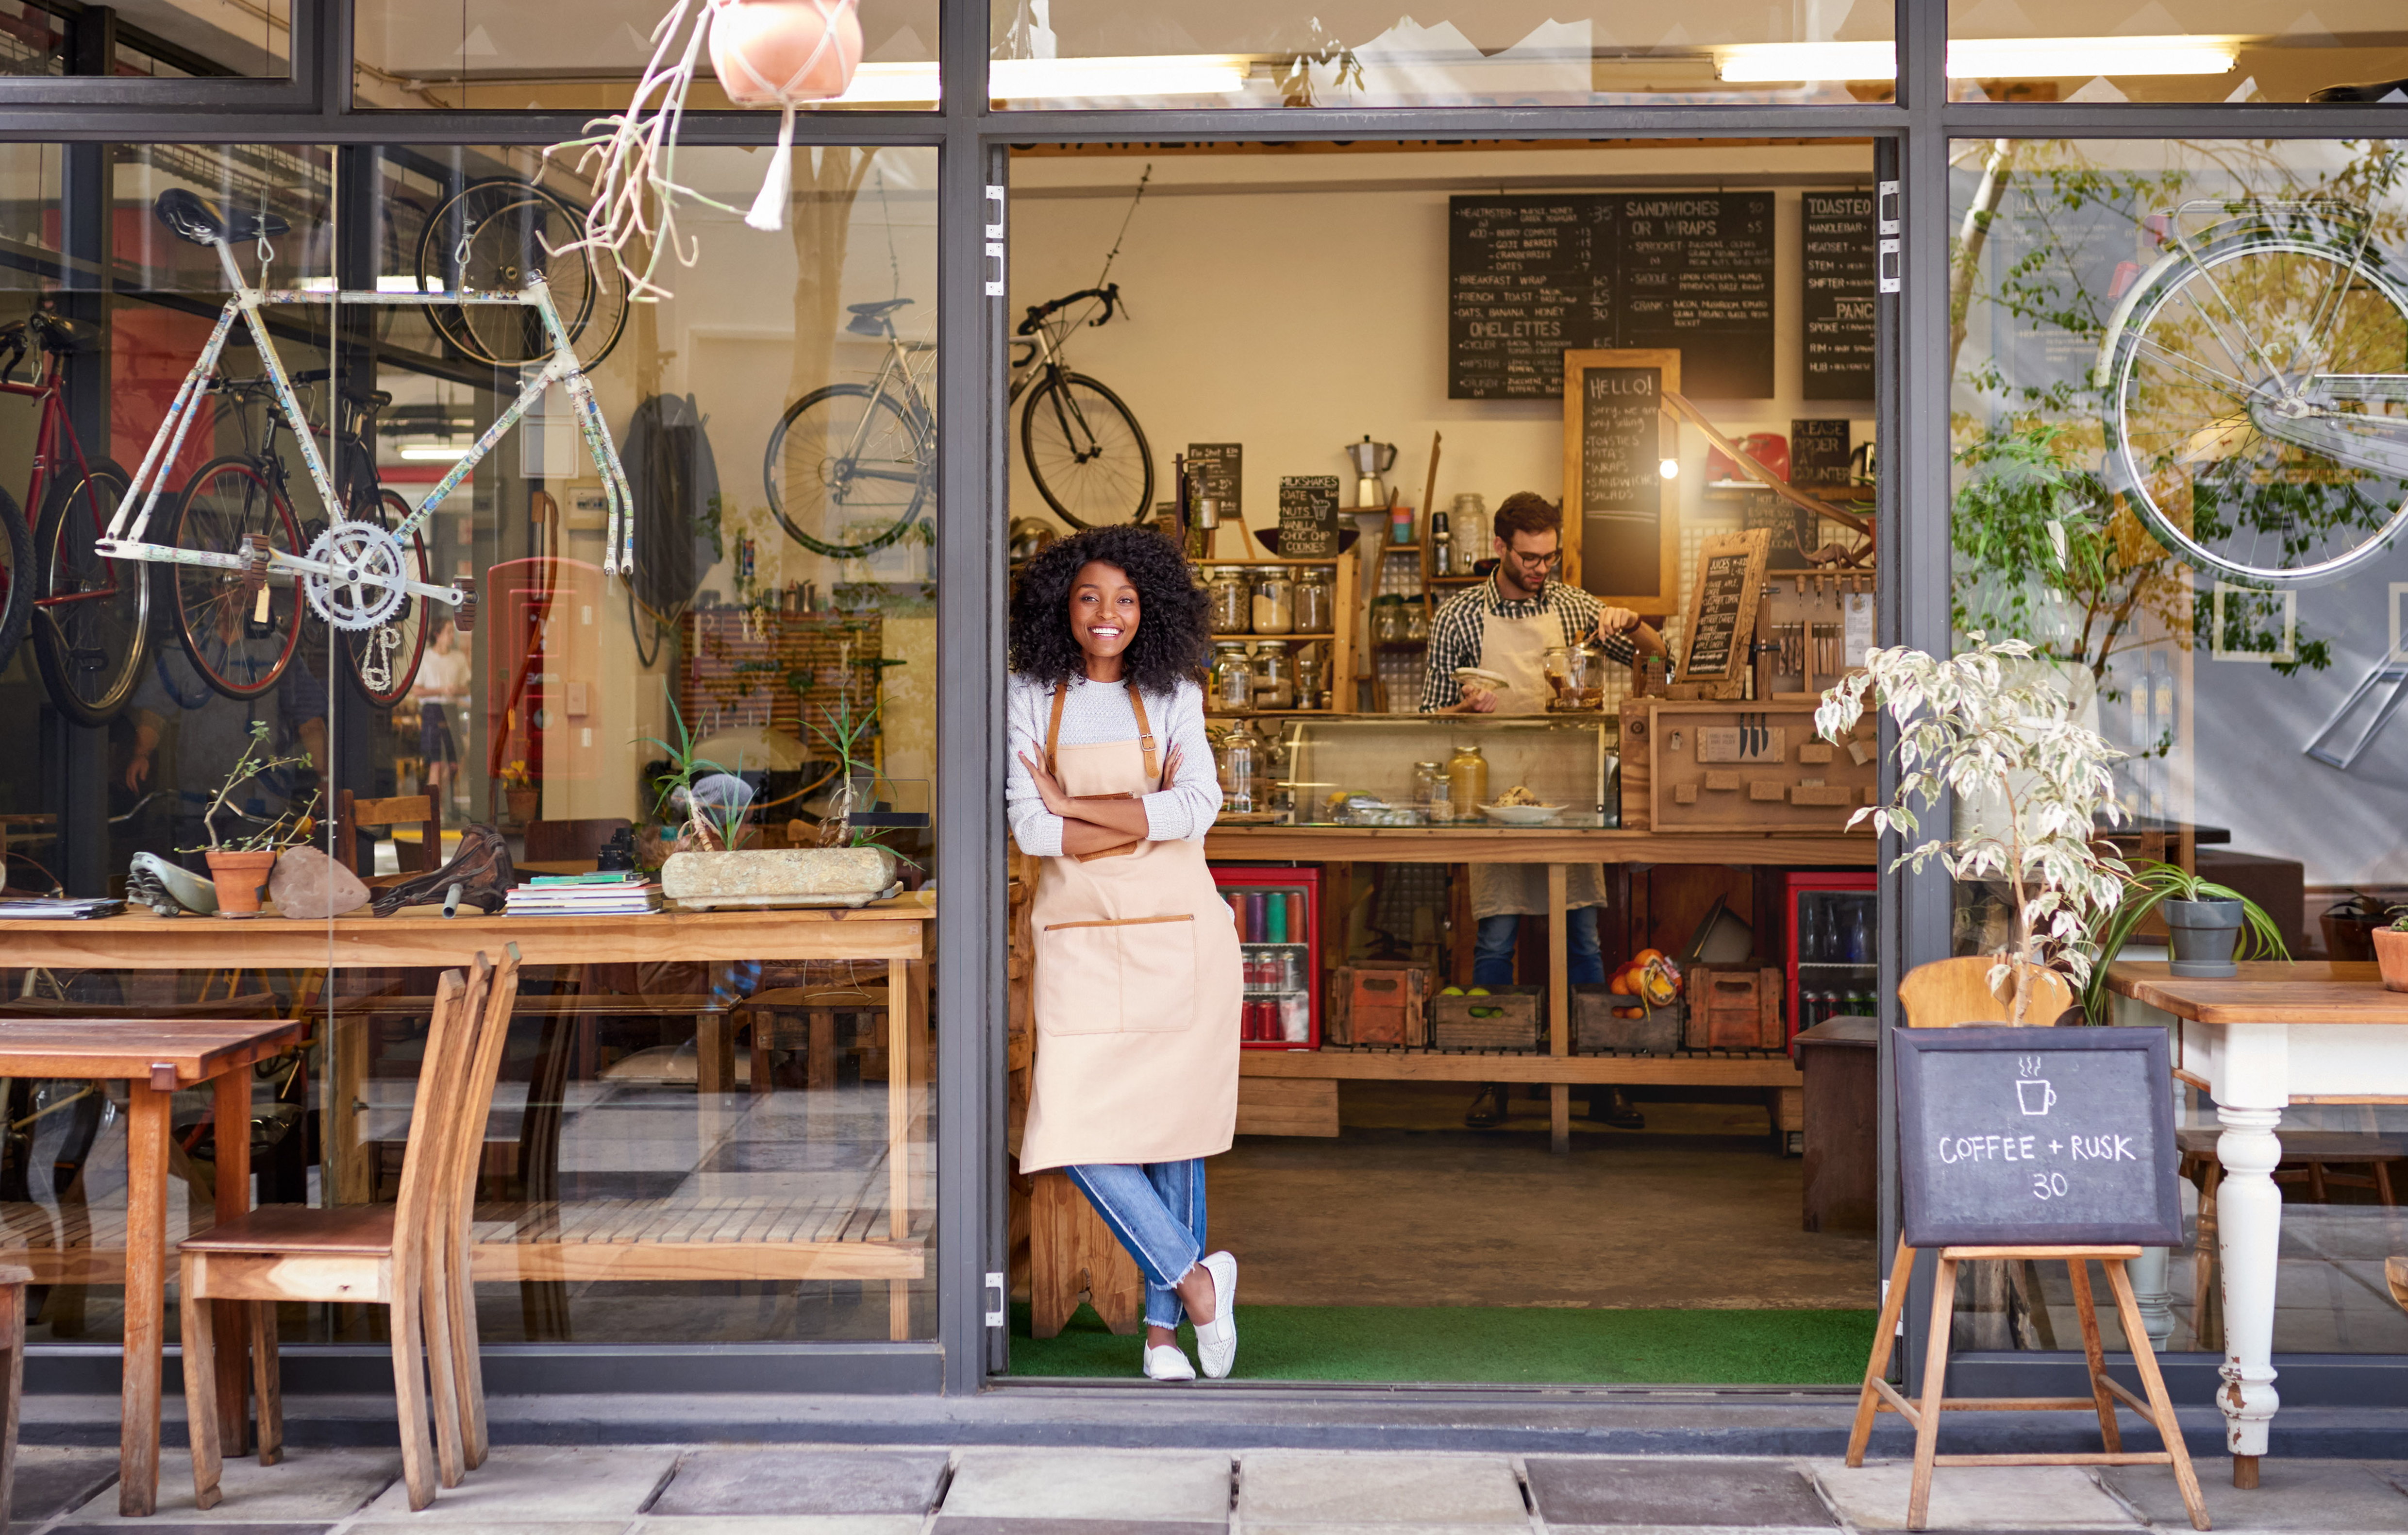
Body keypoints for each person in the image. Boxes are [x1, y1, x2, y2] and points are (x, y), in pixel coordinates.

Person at [1006, 524, 1243, 1383]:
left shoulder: (1175, 689)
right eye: (1090, 597)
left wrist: (1076, 801)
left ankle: (1161, 1337)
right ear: (1061, 606)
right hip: (1079, 944)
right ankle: (1197, 1281)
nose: (1108, 615)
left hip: (1177, 937)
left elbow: (1201, 809)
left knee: (1173, 1130)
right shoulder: (1028, 692)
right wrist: (1139, 807)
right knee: (1071, 1124)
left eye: (1126, 599)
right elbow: (1031, 827)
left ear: (1152, 609)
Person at [1420, 492, 1670, 1130]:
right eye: (1529, 557)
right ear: (1501, 548)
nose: (1541, 568)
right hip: (1494, 797)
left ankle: (1597, 1084)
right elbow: (1426, 719)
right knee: (1497, 938)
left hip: (1570, 794)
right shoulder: (1459, 618)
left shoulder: (1574, 607)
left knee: (1583, 939)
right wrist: (1462, 713)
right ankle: (1494, 1080)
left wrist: (1630, 618)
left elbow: (1658, 654)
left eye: (1550, 556)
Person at [409, 617, 470, 814]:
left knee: (455, 761)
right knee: (436, 761)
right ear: (437, 634)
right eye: (448, 632)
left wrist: (454, 690)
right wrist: (440, 690)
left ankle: (444, 801)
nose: (452, 636)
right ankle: (434, 809)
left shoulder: (458, 658)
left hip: (451, 710)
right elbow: (417, 691)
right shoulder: (426, 658)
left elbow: (466, 688)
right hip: (432, 710)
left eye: (453, 632)